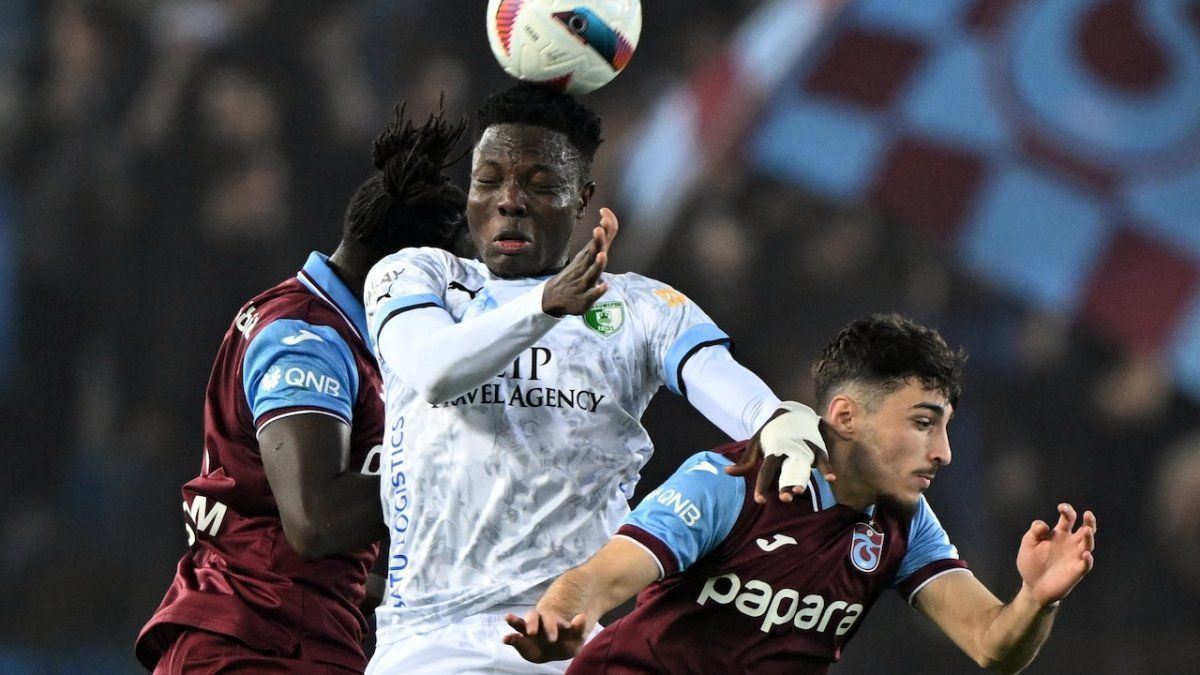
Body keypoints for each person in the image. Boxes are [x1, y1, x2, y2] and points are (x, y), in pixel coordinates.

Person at [362, 83, 826, 673]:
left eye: (539, 184)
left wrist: (776, 419)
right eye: (488, 180)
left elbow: (723, 382)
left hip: (564, 643)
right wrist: (544, 306)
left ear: (583, 199)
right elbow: (434, 372)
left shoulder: (642, 309)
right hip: (426, 645)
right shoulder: (417, 276)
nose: (510, 201)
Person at [504, 313, 1098, 674]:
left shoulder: (905, 521)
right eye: (923, 423)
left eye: (944, 427)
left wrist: (1035, 599)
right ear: (845, 416)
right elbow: (601, 577)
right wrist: (558, 616)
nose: (943, 451)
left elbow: (993, 647)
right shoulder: (730, 481)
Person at [135, 103, 469, 673]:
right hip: (254, 647)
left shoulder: (344, 336)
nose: (459, 307)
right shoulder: (305, 340)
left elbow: (300, 543)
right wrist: (463, 474)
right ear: (405, 272)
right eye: (455, 283)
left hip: (283, 637)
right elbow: (315, 518)